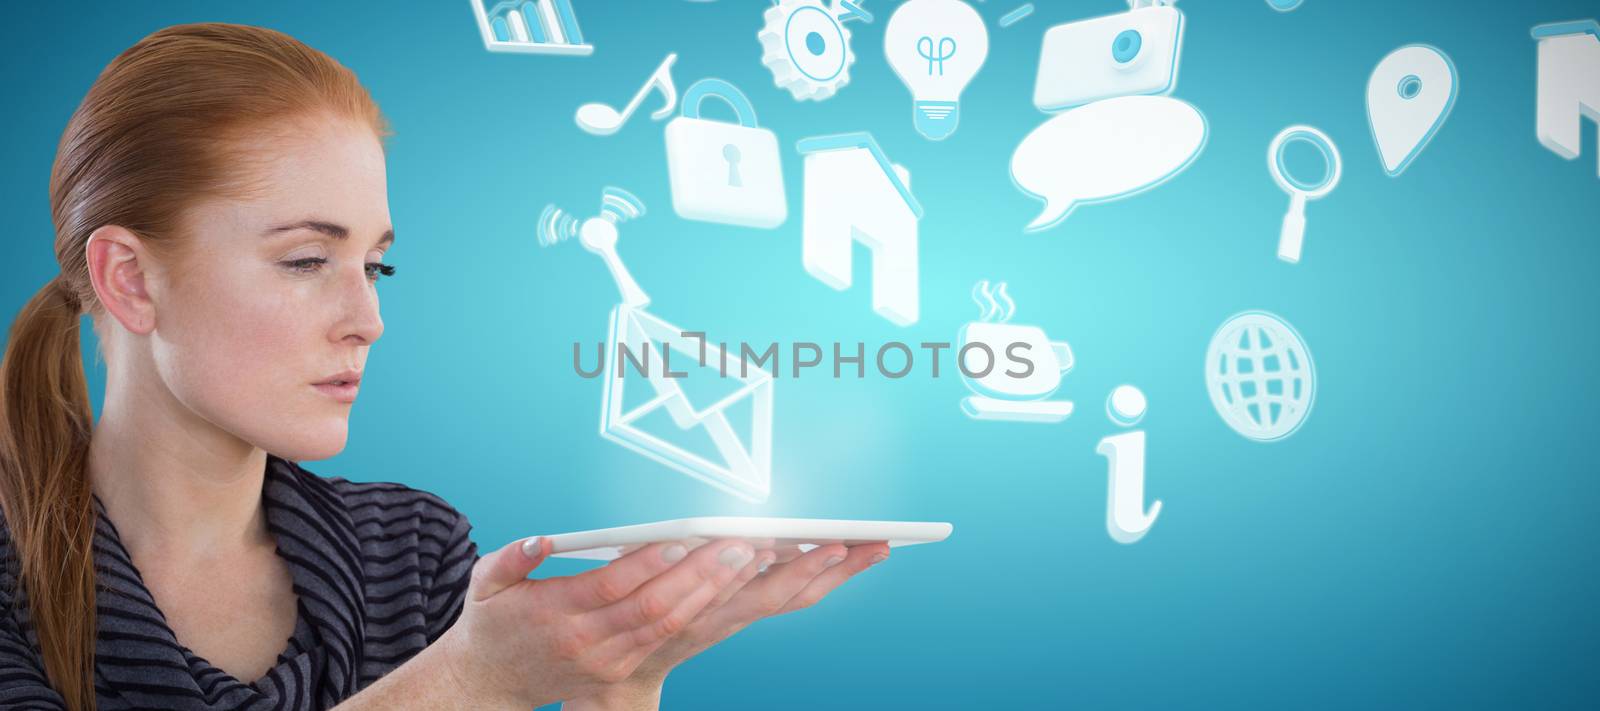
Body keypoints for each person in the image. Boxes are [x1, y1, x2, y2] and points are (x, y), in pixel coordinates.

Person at [0, 23, 890, 711]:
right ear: (130, 277)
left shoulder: (414, 555)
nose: (369, 320)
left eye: (375, 265)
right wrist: (468, 681)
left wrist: (618, 679)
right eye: (308, 261)